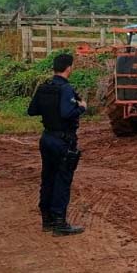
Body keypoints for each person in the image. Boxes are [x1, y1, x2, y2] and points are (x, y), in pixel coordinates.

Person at [27, 53, 86, 236]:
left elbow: (32, 110)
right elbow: (67, 112)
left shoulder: (44, 87)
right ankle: (60, 222)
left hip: (46, 138)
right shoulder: (66, 89)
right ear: (69, 68)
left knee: (48, 179)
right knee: (62, 180)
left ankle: (47, 220)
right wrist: (82, 107)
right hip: (63, 141)